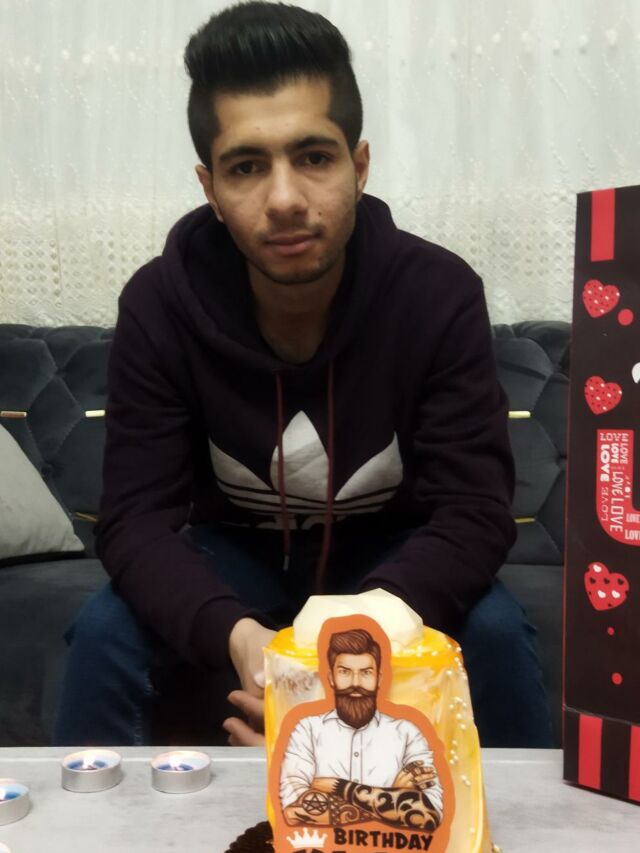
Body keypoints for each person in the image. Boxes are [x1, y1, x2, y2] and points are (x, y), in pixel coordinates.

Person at [53, 1, 552, 749]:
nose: (284, 199)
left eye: (314, 157)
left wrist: (355, 633)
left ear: (359, 166)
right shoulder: (159, 305)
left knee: (497, 632)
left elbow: (475, 511)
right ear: (210, 188)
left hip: (394, 551)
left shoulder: (437, 294)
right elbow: (135, 521)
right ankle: (92, 812)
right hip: (238, 553)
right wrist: (239, 636)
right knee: (105, 632)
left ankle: (521, 814)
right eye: (246, 167)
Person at [279, 628, 443, 831]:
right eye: (344, 672)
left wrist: (340, 788)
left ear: (379, 679)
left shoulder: (408, 733)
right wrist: (392, 797)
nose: (356, 683)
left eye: (366, 673)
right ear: (331, 678)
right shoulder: (307, 730)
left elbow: (430, 813)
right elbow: (294, 810)